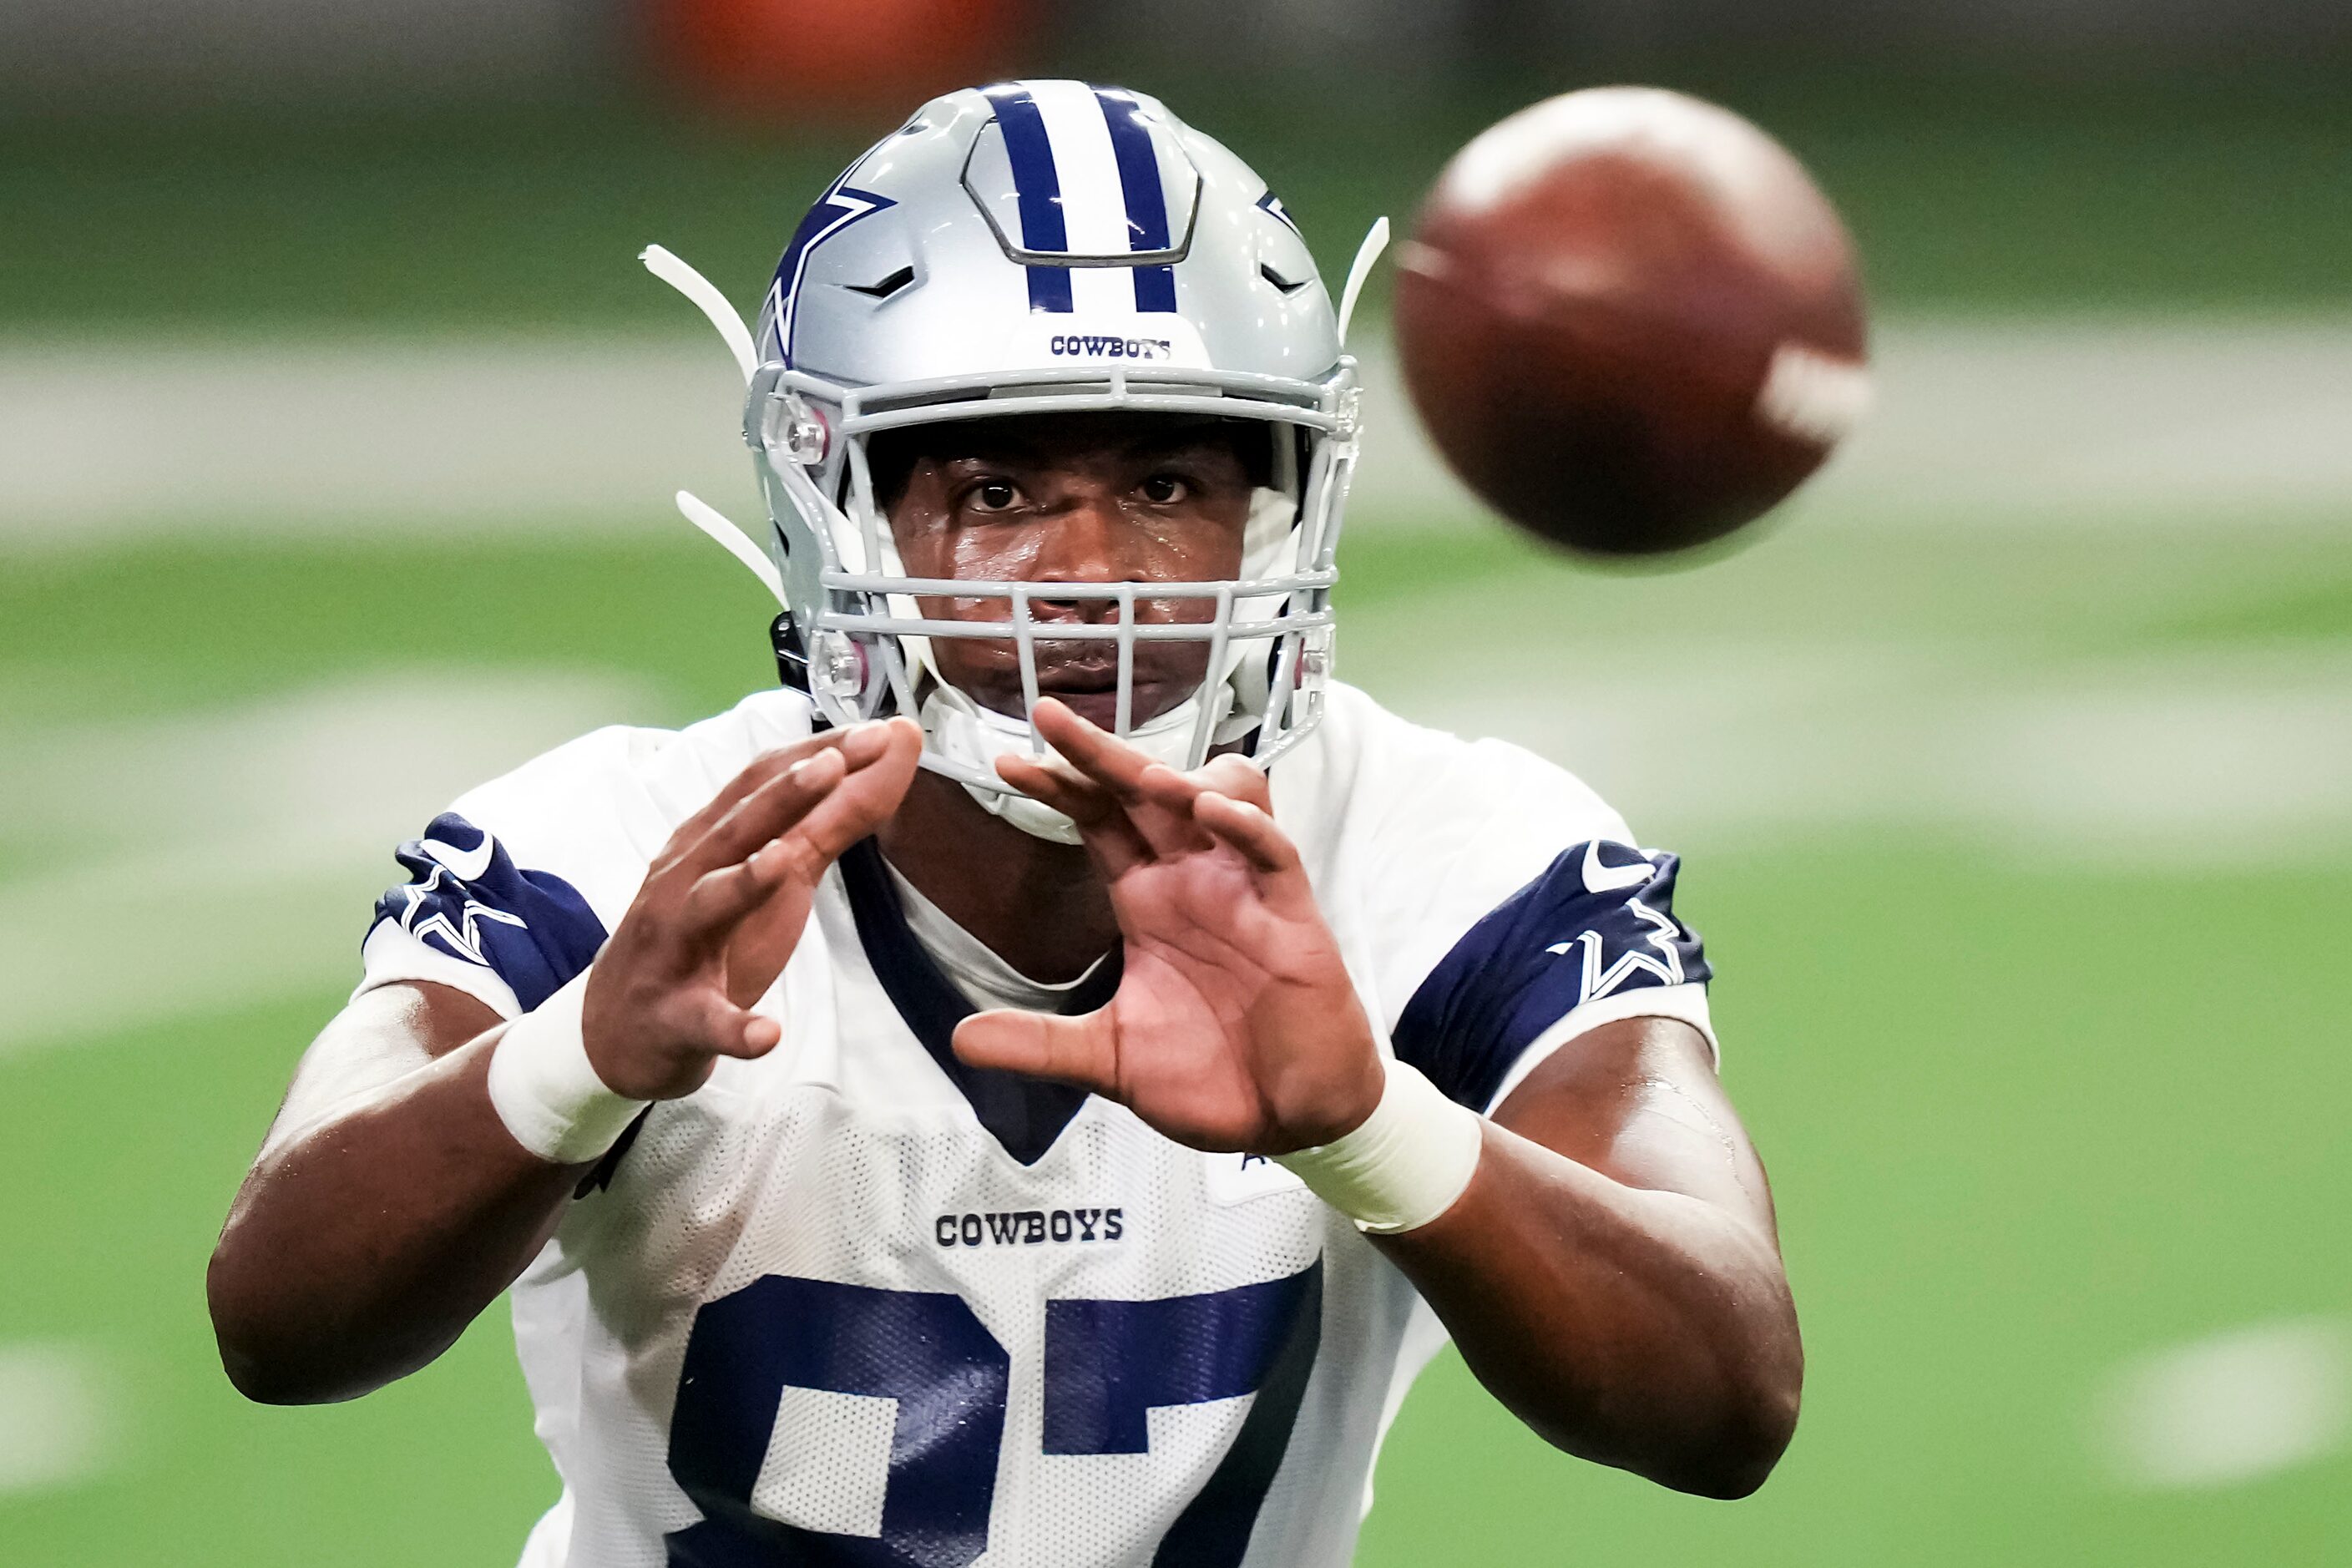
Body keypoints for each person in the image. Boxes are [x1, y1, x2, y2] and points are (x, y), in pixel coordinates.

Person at [208, 80, 1799, 1567]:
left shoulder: (1444, 849)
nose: (1093, 567)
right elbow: (278, 1316)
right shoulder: (617, 851)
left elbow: (1727, 1387)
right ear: (841, 508)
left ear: (1282, 500)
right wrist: (583, 1056)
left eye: (1169, 483)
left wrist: (1367, 1125)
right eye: (996, 488)